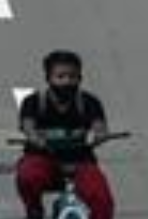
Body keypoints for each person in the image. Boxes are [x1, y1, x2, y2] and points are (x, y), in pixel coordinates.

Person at [14, 50, 116, 219]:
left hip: (81, 162)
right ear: (48, 78)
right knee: (27, 176)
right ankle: (34, 210)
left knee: (101, 198)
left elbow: (99, 124)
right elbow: (27, 126)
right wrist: (36, 138)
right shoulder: (33, 101)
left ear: (80, 78)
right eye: (60, 77)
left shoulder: (89, 102)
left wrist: (100, 134)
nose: (67, 81)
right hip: (44, 160)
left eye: (72, 76)